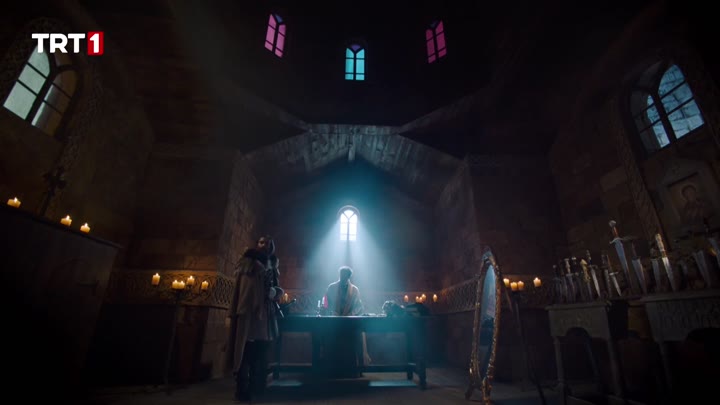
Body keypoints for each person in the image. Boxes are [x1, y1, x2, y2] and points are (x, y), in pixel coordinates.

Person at [225, 236, 283, 402]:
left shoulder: (272, 265)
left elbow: (274, 288)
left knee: (261, 353)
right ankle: (242, 389)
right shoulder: (249, 264)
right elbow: (247, 290)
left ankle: (257, 387)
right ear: (257, 244)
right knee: (245, 353)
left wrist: (275, 292)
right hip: (249, 316)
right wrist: (264, 294)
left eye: (269, 243)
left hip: (265, 317)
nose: (265, 246)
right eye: (262, 242)